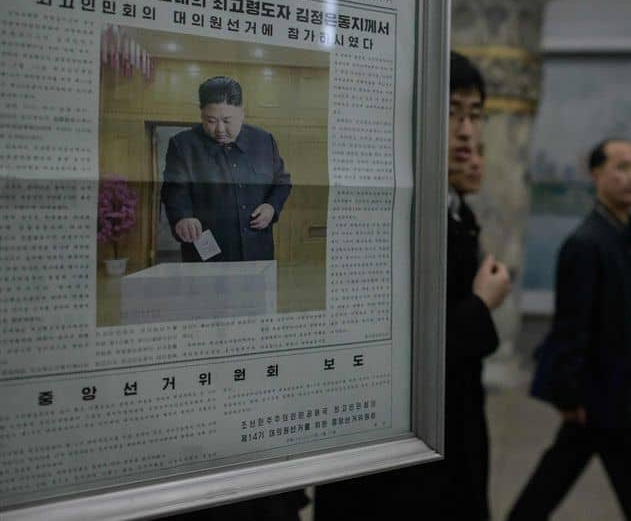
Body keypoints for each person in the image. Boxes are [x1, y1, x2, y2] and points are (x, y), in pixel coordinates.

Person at [313, 51, 510, 520]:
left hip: (446, 431)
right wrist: (482, 304)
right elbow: (394, 349)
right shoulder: (387, 209)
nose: (466, 131)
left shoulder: (449, 206)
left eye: (475, 114)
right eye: (452, 112)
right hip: (396, 455)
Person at [509, 138, 631, 521]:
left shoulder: (623, 236)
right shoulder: (586, 244)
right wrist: (569, 396)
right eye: (622, 167)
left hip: (616, 395)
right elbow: (571, 325)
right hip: (602, 399)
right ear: (596, 174)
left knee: (554, 480)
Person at [161, 76, 291, 262]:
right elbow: (174, 191)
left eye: (227, 120)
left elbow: (282, 182)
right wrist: (183, 217)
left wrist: (271, 206)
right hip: (208, 255)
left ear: (242, 113)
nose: (220, 129)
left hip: (257, 251)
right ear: (201, 114)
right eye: (211, 120)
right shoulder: (183, 145)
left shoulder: (263, 140)